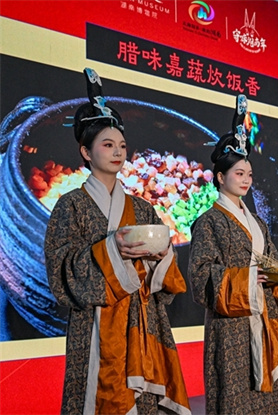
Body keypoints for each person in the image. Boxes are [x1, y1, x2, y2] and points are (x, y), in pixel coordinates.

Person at [44, 68, 191, 414]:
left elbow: (165, 269)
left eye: (122, 146)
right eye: (107, 145)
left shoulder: (142, 207)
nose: (118, 152)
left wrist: (162, 255)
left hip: (142, 319)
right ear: (85, 151)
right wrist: (111, 250)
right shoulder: (70, 205)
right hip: (95, 323)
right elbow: (60, 269)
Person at [188, 95, 278, 414]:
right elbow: (201, 278)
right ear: (220, 177)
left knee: (265, 400)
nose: (246, 180)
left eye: (249, 174)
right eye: (239, 173)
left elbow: (271, 265)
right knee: (234, 397)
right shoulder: (209, 222)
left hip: (263, 320)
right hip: (230, 327)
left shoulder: (258, 223)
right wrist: (250, 278)